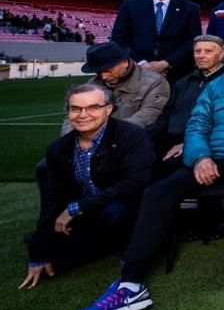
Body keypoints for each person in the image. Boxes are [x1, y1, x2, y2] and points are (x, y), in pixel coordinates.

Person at [69, 28, 224, 310]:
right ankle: (130, 283)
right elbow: (197, 125)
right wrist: (201, 157)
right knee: (157, 192)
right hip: (214, 158)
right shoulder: (215, 87)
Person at [21, 85, 152, 290]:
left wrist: (76, 207)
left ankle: (126, 244)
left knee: (114, 212)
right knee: (50, 264)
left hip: (125, 206)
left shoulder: (132, 135)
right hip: (88, 213)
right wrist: (39, 252)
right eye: (75, 109)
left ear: (108, 109)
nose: (83, 115)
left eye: (92, 107)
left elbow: (135, 183)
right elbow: (51, 199)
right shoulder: (59, 148)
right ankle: (92, 241)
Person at [147, 35, 224, 172]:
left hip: (201, 144)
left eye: (208, 51)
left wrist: (189, 144)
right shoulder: (184, 82)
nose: (201, 56)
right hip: (169, 140)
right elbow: (165, 116)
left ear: (222, 54)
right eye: (197, 51)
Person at [110, 0, 202, 83]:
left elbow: (193, 41)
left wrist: (166, 63)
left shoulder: (191, 8)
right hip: (136, 73)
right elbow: (118, 39)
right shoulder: (130, 5)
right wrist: (141, 63)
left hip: (177, 76)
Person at [67, 42, 169, 134]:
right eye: (98, 72)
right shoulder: (93, 84)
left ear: (124, 62)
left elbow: (146, 117)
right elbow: (73, 117)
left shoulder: (155, 82)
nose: (103, 76)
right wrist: (69, 141)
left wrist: (102, 134)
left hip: (134, 143)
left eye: (108, 70)